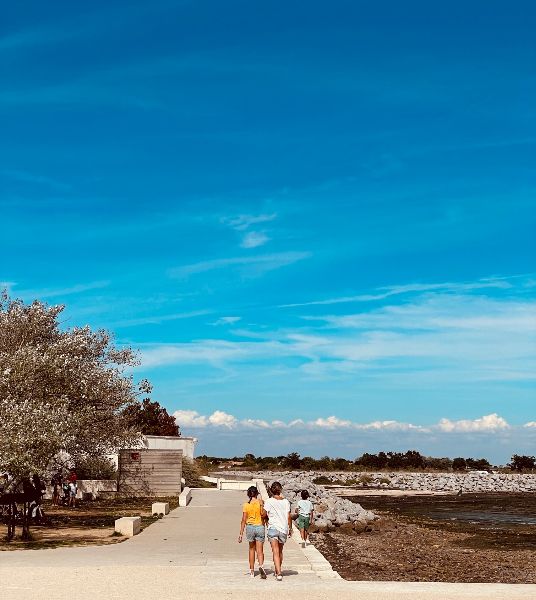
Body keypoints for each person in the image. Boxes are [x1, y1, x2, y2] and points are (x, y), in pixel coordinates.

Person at [262, 481, 292, 581]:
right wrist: (290, 528)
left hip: (273, 528)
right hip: (283, 528)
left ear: (271, 490)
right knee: (280, 551)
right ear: (280, 490)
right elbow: (288, 517)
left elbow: (263, 514)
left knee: (275, 551)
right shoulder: (286, 502)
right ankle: (277, 570)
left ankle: (278, 573)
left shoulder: (269, 501)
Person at [238, 486, 267, 579]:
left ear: (248, 494)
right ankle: (261, 566)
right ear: (257, 493)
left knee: (251, 549)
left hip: (250, 527)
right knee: (260, 550)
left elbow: (243, 520)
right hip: (259, 527)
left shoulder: (246, 505)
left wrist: (241, 534)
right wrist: (262, 505)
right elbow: (264, 515)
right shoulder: (260, 503)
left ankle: (251, 571)